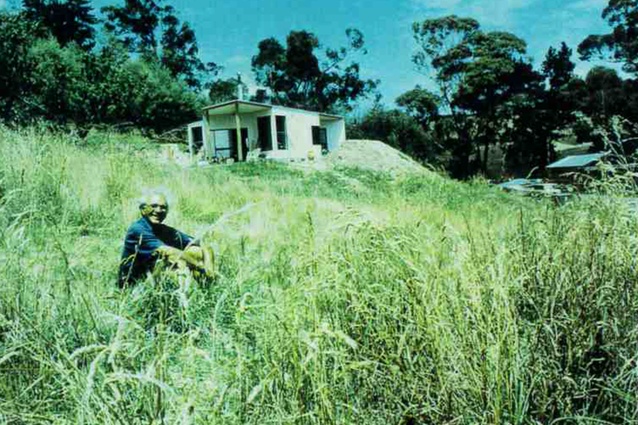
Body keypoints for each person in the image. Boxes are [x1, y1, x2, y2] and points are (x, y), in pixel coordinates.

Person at [118, 190, 214, 287]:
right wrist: (200, 266)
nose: (159, 210)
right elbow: (168, 252)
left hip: (155, 275)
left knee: (196, 251)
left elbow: (201, 242)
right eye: (154, 206)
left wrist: (210, 267)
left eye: (163, 207)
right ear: (143, 210)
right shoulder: (138, 229)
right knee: (177, 263)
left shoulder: (163, 229)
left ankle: (206, 286)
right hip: (135, 284)